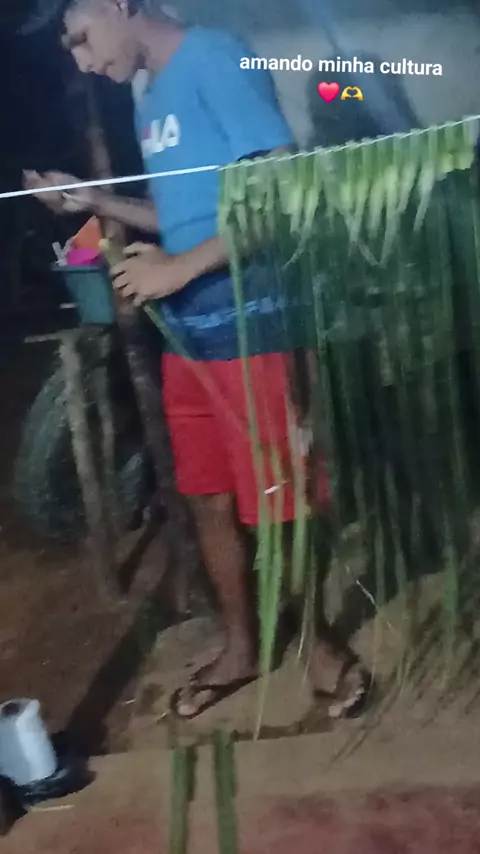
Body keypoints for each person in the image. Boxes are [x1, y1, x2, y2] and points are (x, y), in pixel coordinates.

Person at [25, 0, 368, 719]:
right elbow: (184, 217)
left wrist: (177, 269)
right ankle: (242, 647)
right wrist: (96, 202)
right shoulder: (151, 96)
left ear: (118, 5)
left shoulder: (216, 57)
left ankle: (320, 646)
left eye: (82, 39)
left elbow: (280, 198)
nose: (84, 62)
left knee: (278, 506)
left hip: (255, 330)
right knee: (207, 500)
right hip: (191, 337)